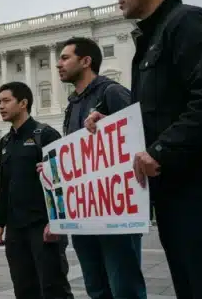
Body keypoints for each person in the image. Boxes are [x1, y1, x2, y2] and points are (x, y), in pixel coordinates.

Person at [86, 0, 202, 298]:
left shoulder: (189, 22)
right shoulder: (152, 40)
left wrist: (161, 150)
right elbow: (158, 111)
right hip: (177, 194)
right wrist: (113, 119)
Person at [56, 37, 147, 299]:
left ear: (86, 61)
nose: (58, 64)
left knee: (124, 287)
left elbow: (140, 136)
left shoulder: (112, 92)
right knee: (96, 287)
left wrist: (111, 125)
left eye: (65, 58)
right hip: (85, 210)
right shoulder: (72, 106)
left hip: (115, 210)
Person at [0, 82, 72, 299]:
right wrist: (0, 224)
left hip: (43, 226)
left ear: (23, 103)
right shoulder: (6, 141)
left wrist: (55, 222)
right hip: (16, 229)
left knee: (53, 287)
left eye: (6, 101)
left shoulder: (45, 135)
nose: (0, 106)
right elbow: (4, 185)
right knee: (23, 288)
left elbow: (61, 182)